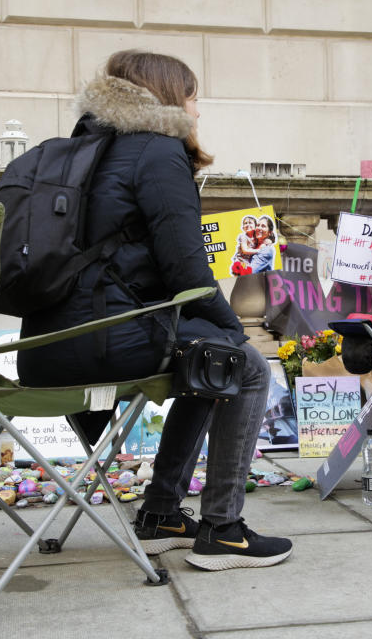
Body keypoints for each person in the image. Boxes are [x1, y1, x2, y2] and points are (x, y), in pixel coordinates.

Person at [16, 50, 292, 571]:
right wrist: (238, 333)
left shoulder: (82, 150)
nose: (197, 111)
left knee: (207, 355)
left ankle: (163, 514)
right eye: (192, 97)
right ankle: (224, 531)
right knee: (243, 363)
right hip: (103, 341)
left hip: (41, 348)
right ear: (168, 96)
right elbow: (190, 275)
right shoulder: (158, 153)